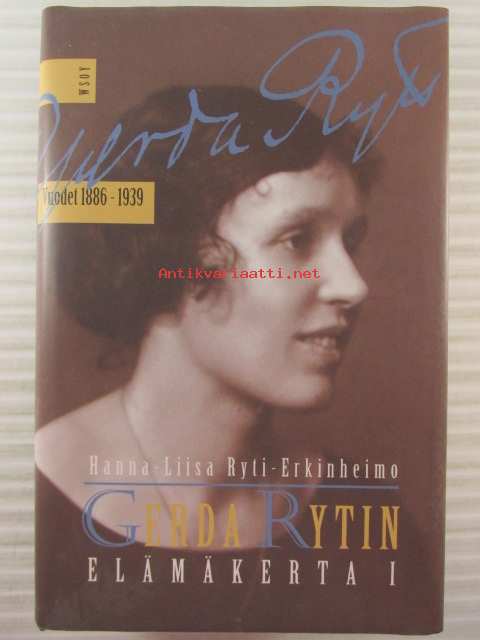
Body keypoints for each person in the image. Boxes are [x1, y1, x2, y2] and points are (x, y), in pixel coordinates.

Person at [35, 85, 378, 548]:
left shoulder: (361, 510)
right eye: (296, 240)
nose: (354, 286)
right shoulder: (30, 494)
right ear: (172, 254)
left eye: (350, 243)